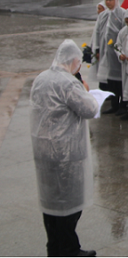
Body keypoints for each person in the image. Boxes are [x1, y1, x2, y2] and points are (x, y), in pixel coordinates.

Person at [31, 40, 99, 257]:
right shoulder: (68, 83)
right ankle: (69, 249)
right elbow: (90, 108)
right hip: (65, 153)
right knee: (68, 204)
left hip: (43, 150)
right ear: (73, 61)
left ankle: (54, 246)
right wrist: (85, 89)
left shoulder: (41, 78)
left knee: (51, 202)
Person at [94, 0, 125, 115]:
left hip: (118, 53)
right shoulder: (103, 15)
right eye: (107, 0)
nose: (108, 2)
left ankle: (123, 105)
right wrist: (97, 48)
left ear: (116, 0)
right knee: (111, 80)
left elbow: (124, 32)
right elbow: (97, 33)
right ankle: (114, 104)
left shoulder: (122, 13)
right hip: (106, 52)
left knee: (121, 80)